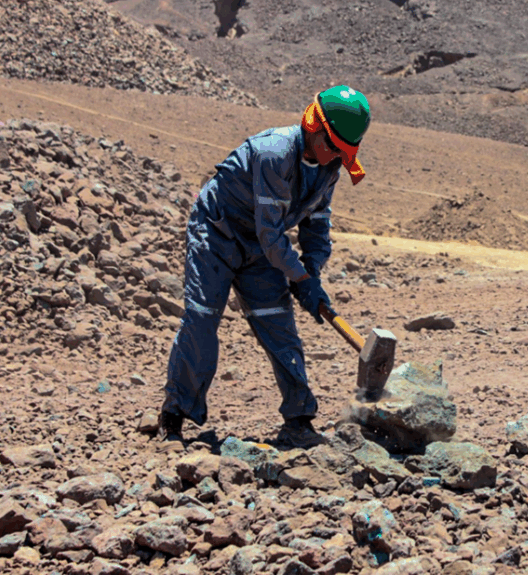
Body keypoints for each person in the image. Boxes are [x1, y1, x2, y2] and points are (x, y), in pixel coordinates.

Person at [157, 85, 371, 449]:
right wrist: (298, 276)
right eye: (333, 147)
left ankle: (299, 419)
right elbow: (271, 234)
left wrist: (312, 274)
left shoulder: (329, 166)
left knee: (279, 324)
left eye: (344, 153)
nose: (337, 157)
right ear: (314, 127)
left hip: (260, 248)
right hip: (217, 233)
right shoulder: (274, 152)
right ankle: (174, 415)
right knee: (202, 319)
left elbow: (317, 225)